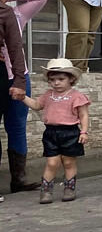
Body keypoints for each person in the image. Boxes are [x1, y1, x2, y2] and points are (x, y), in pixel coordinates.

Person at [1, 0, 46, 192]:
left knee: (17, 126)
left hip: (19, 77)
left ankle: (18, 179)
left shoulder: (16, 14)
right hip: (3, 77)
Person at [23, 59, 89, 204]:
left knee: (68, 162)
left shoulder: (76, 96)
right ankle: (46, 190)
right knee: (52, 163)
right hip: (51, 133)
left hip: (70, 132)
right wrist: (23, 97)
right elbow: (35, 105)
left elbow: (83, 115)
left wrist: (84, 132)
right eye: (52, 80)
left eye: (61, 79)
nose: (56, 83)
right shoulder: (48, 95)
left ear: (71, 79)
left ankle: (69, 188)